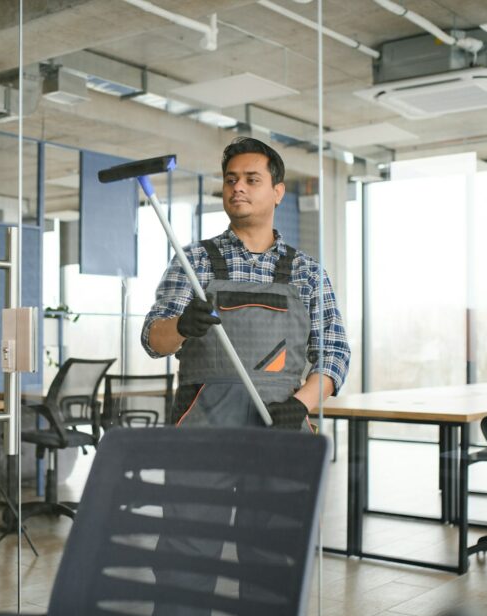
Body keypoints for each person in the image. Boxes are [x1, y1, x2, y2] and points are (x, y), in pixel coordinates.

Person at [142, 136, 350, 430]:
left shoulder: (308, 273)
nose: (237, 187)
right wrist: (180, 326)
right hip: (201, 431)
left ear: (278, 192)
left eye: (252, 180)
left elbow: (333, 354)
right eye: (231, 180)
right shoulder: (192, 262)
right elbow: (152, 342)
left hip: (279, 426)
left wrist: (300, 404)